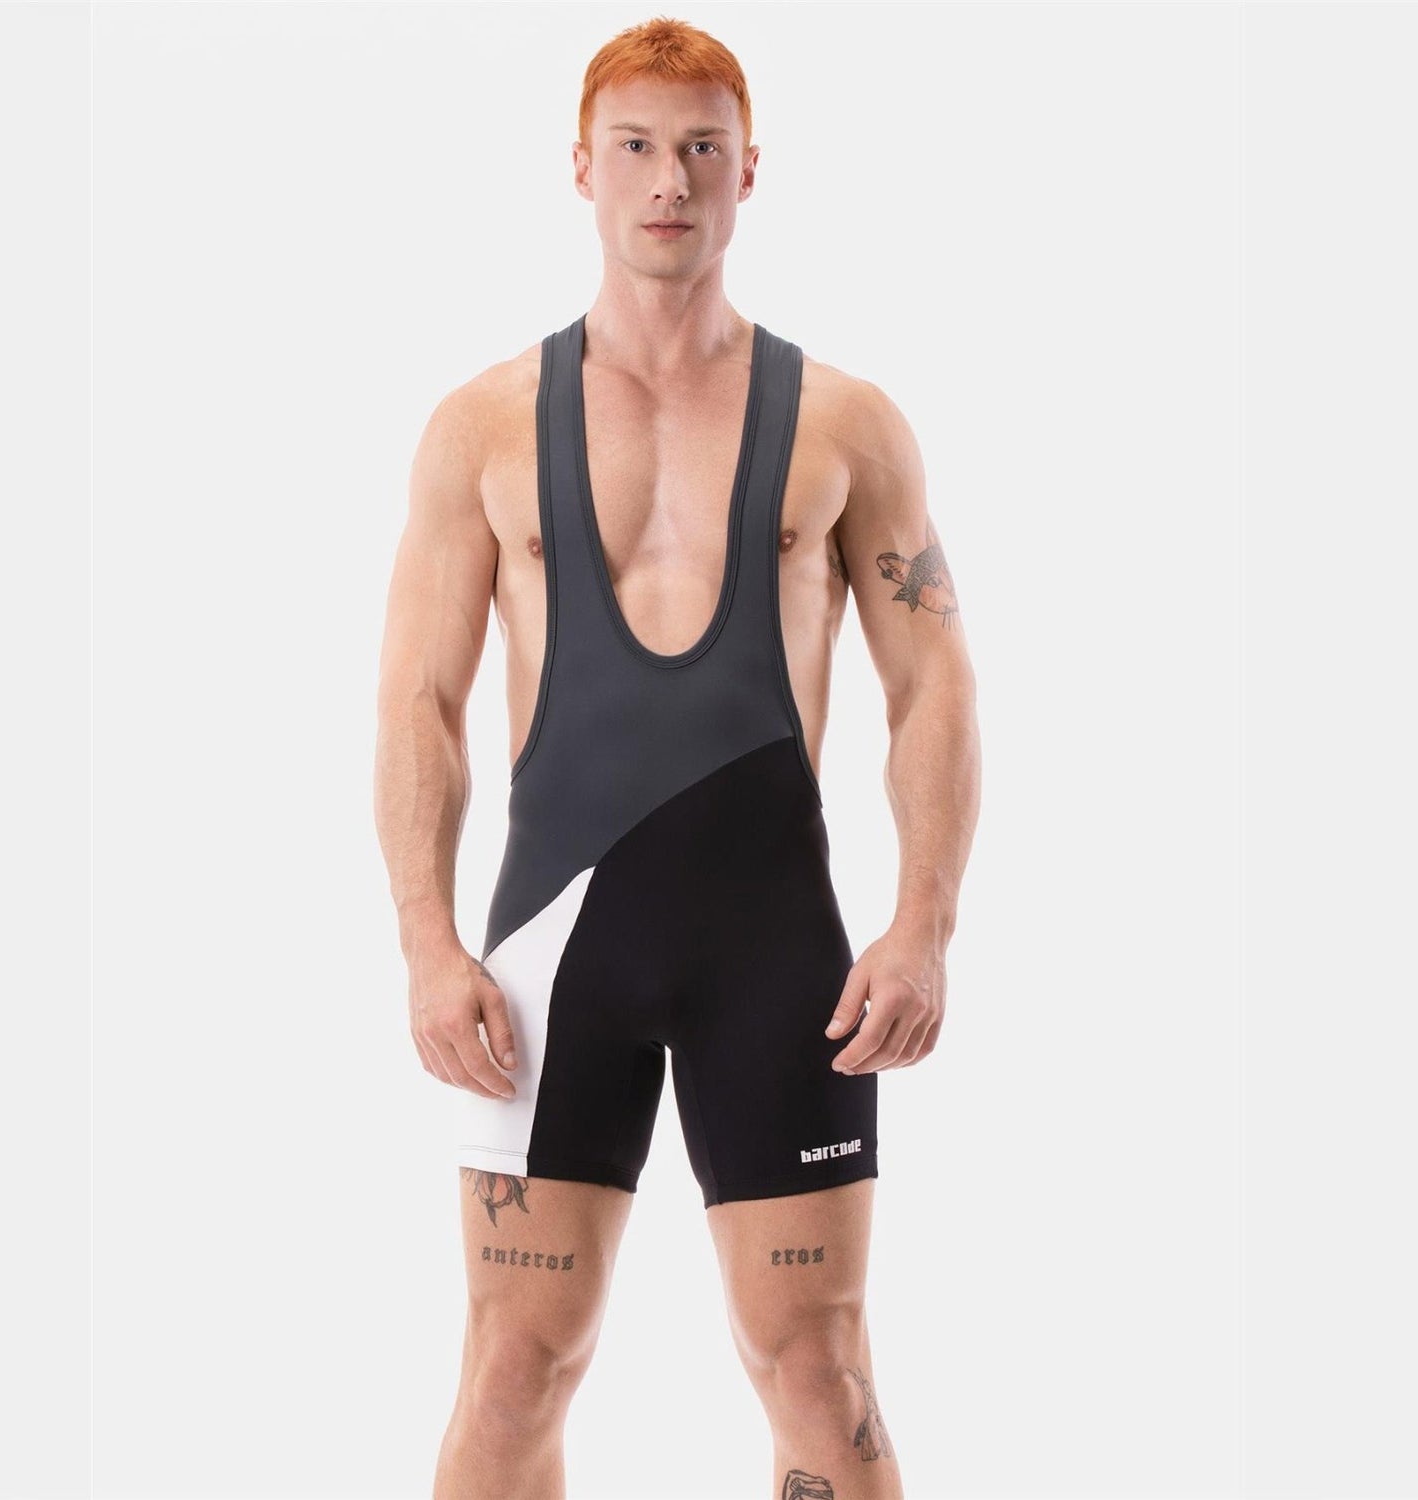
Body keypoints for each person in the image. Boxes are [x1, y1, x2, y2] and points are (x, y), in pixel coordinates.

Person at [373, 17, 980, 1499]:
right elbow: (419, 702)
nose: (669, 181)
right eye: (636, 148)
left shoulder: (847, 423)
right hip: (547, 963)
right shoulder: (480, 426)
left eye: (703, 148)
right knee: (513, 1371)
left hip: (778, 957)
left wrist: (923, 924)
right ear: (581, 168)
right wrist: (427, 944)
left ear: (748, 171)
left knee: (820, 1374)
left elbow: (932, 685)